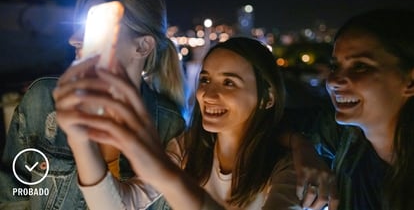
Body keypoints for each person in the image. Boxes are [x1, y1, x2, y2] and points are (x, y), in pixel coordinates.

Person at [53, 37, 303, 209]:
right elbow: (119, 205)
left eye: (229, 83)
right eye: (205, 80)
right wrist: (80, 139)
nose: (208, 94)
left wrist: (166, 175)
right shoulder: (188, 148)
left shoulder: (288, 169)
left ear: (267, 97)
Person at [0, 0, 186, 209]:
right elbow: (13, 199)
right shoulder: (43, 100)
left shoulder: (168, 125)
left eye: (95, 28)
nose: (74, 38)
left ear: (142, 46)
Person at [294, 8, 414, 210]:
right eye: (334, 66)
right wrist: (301, 146)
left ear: (409, 81)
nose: (333, 81)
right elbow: (270, 123)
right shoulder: (347, 139)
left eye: (360, 66)